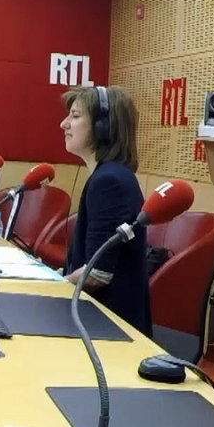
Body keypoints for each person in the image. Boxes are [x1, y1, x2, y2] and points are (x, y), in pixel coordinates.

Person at [60, 84, 152, 336]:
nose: (64, 124)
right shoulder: (108, 176)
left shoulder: (109, 182)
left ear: (104, 128)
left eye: (75, 116)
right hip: (98, 320)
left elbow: (97, 274)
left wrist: (50, 287)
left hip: (108, 330)